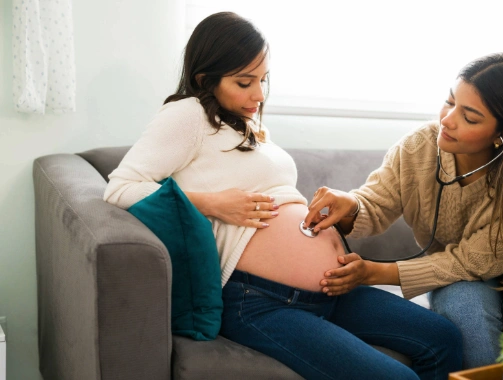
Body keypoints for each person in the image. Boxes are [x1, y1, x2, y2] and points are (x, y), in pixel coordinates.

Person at [103, 12, 462, 380]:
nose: (258, 95)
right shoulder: (188, 114)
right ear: (204, 80)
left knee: (444, 337)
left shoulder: (248, 125)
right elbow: (121, 189)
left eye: (263, 80)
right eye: (245, 82)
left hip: (332, 290)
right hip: (259, 301)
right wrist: (213, 203)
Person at [303, 53, 503, 370]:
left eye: (470, 117)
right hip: (460, 277)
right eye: (450, 102)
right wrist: (350, 204)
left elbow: (471, 261)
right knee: (473, 336)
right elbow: (375, 202)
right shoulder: (418, 147)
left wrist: (372, 273)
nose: (447, 120)